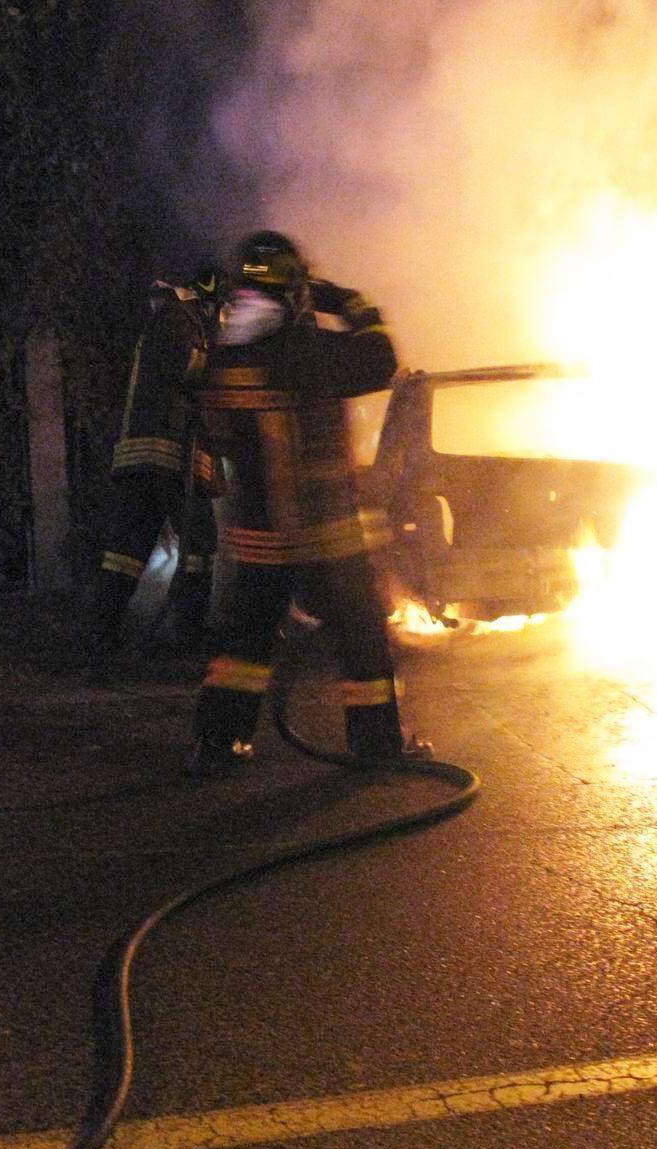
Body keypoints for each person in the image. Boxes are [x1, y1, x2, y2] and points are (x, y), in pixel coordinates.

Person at [187, 230, 424, 776]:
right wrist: (354, 306)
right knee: (361, 637)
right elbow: (380, 359)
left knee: (245, 642)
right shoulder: (312, 349)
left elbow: (217, 433)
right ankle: (377, 744)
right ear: (296, 291)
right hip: (326, 530)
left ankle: (216, 744)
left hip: (260, 535)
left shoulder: (223, 359)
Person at [89, 267, 224, 658]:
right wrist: (223, 362)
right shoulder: (177, 319)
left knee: (127, 550)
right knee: (197, 545)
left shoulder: (167, 318)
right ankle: (189, 634)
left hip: (150, 458)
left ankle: (104, 633)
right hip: (167, 456)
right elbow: (187, 368)